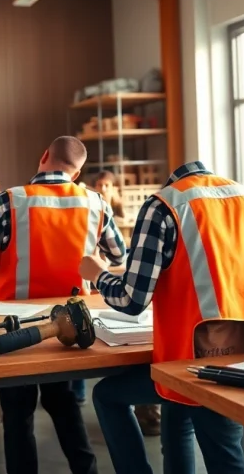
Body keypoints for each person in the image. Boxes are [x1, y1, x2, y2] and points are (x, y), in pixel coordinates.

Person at [80, 161, 244, 474]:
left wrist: (98, 275)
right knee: (178, 422)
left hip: (194, 358)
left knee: (108, 396)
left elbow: (133, 300)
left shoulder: (162, 205)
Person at [0, 136, 126, 474]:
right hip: (70, 325)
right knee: (64, 403)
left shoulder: (9, 202)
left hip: (16, 329)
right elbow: (120, 257)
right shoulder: (95, 203)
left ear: (43, 156)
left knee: (18, 414)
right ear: (77, 174)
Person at [90, 170, 162, 430]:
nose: (105, 188)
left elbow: (123, 259)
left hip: (118, 278)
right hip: (115, 278)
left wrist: (99, 272)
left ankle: (147, 408)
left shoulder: (117, 211)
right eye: (100, 184)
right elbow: (120, 254)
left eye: (108, 184)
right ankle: (145, 405)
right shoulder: (97, 207)